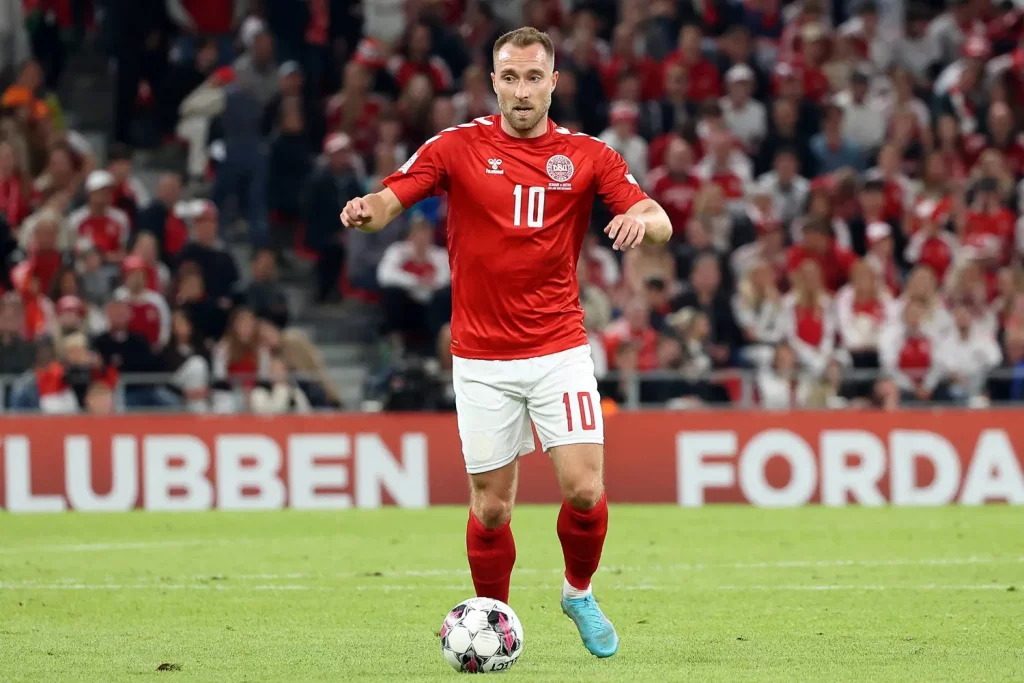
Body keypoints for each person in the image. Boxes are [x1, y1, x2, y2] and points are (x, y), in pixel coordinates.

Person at [340, 27, 672, 658]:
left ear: (553, 83)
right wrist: (365, 212)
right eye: (511, 78)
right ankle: (496, 621)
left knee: (584, 489)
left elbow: (660, 219)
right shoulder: (456, 147)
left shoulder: (587, 156)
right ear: (493, 82)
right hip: (482, 359)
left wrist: (639, 217)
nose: (522, 91)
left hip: (559, 349)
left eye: (534, 77)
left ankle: (578, 592)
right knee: (492, 508)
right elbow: (390, 199)